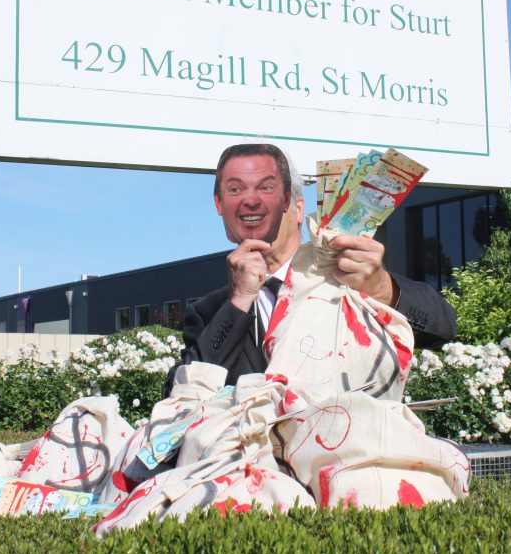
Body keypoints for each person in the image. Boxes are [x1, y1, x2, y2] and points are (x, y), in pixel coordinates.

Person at [166, 143, 455, 394]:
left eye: (267, 188)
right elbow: (179, 397)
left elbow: (443, 328)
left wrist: (381, 288)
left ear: (297, 207)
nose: (250, 201)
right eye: (235, 190)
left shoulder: (350, 275)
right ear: (220, 205)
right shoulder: (211, 312)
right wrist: (238, 302)